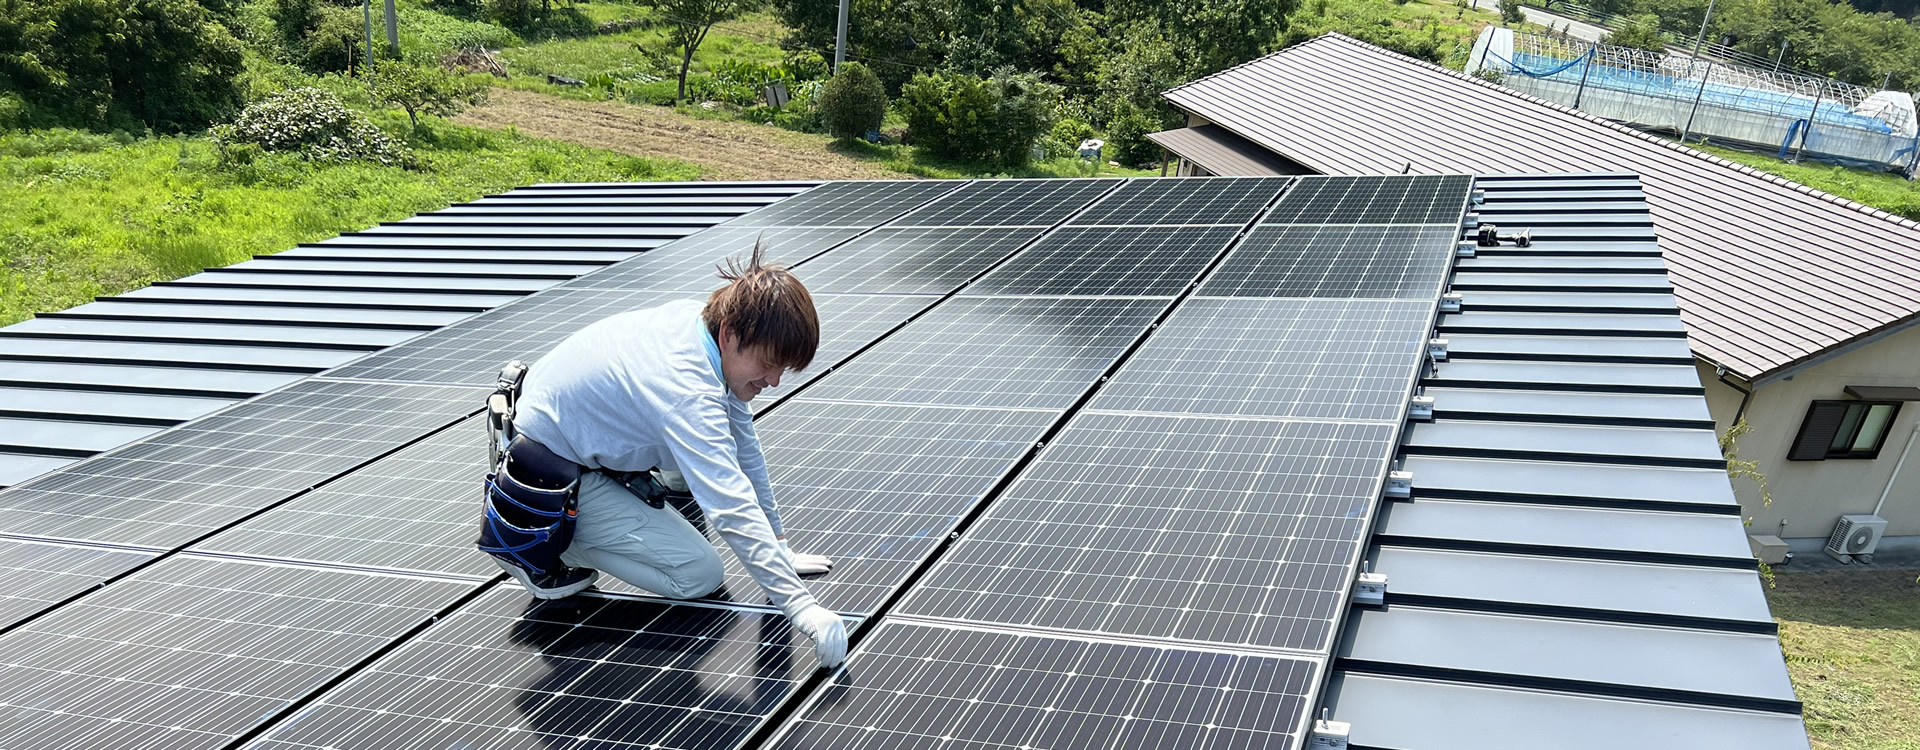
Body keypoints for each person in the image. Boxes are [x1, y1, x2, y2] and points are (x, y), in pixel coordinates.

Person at [495, 243, 847, 668]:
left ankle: (593, 510)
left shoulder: (702, 324)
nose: (773, 381)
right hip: (552, 470)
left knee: (705, 453)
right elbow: (729, 503)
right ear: (731, 334)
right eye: (769, 364)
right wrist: (800, 607)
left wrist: (779, 545)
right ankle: (546, 545)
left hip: (573, 428)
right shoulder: (686, 389)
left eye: (783, 370)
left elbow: (744, 446)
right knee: (699, 575)